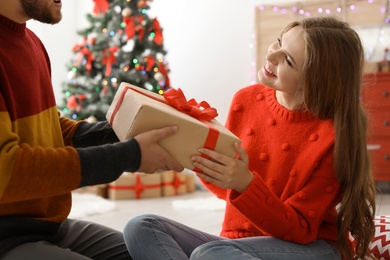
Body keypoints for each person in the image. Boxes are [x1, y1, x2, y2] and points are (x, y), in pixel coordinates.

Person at [123, 16, 377, 260]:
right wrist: (191, 147)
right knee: (141, 227)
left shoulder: (333, 136)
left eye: (287, 60)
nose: (271, 56)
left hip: (311, 248)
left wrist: (245, 183)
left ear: (317, 81)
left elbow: (299, 229)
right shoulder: (246, 100)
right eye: (279, 41)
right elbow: (226, 188)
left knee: (208, 254)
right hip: (238, 244)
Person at [0, 1, 183, 259]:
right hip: (7, 237)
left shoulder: (31, 42)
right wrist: (131, 155)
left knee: (147, 252)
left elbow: (53, 131)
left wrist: (124, 132)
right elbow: (7, 170)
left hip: (51, 227)